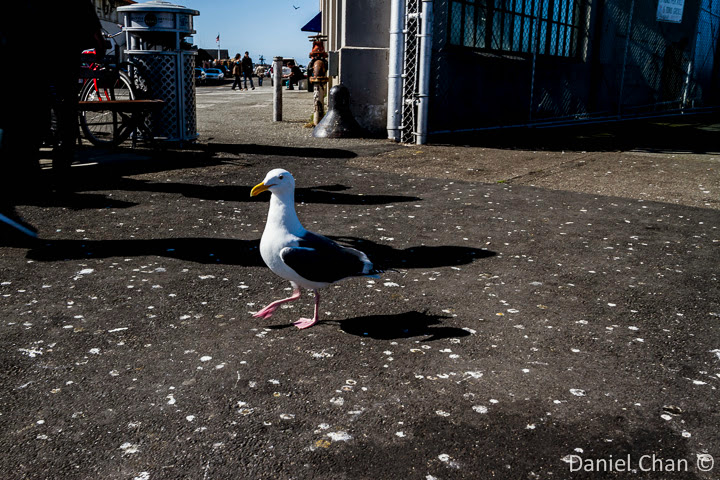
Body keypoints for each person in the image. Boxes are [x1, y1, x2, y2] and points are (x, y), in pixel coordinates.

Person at [0, 0, 105, 242]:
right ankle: (56, 176)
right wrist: (96, 43)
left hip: (32, 56)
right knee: (57, 119)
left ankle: (30, 179)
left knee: (30, 119)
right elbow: (92, 30)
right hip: (59, 59)